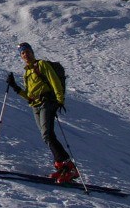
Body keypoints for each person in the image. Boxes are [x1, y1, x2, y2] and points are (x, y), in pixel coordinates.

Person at [6, 42, 79, 183]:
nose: (25, 55)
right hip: (36, 106)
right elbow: (29, 95)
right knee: (46, 136)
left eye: (27, 51)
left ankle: (68, 167)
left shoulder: (41, 65)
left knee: (47, 134)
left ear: (32, 52)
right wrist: (15, 86)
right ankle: (63, 168)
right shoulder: (27, 73)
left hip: (47, 102)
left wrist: (59, 100)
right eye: (22, 53)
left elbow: (54, 81)